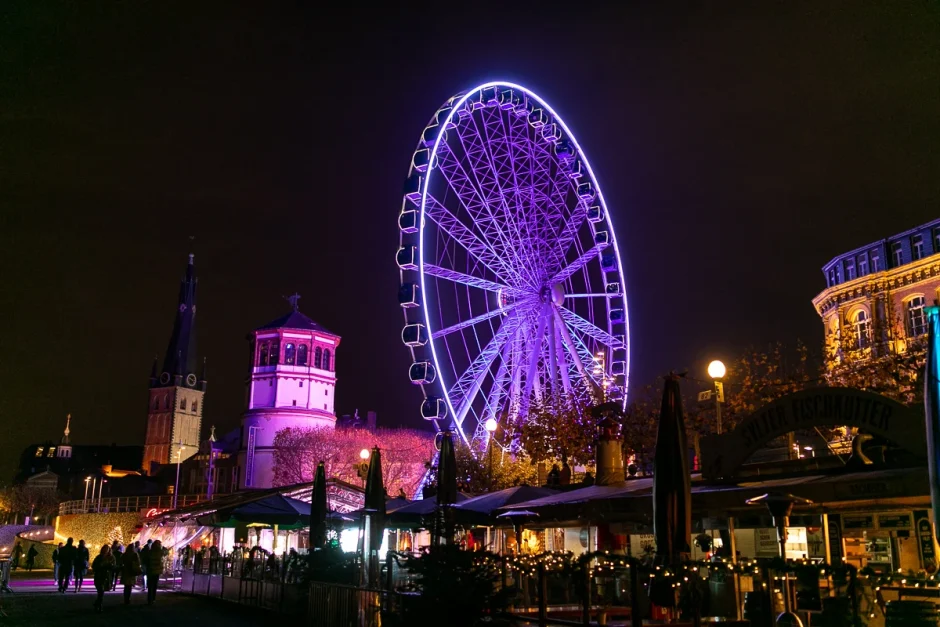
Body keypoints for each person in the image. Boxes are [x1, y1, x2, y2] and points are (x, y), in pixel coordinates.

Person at [91, 544, 115, 613]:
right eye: (104, 549)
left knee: (101, 592)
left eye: (107, 549)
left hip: (106, 577)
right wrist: (100, 566)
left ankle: (98, 604)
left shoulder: (111, 557)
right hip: (99, 576)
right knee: (100, 591)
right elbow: (94, 566)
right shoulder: (99, 557)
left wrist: (109, 566)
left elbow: (113, 566)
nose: (105, 550)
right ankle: (99, 605)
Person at [146, 540, 164, 605]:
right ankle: (153, 599)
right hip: (156, 571)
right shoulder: (159, 552)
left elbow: (147, 561)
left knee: (150, 585)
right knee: (154, 585)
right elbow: (165, 552)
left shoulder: (150, 552)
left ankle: (149, 599)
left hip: (150, 571)